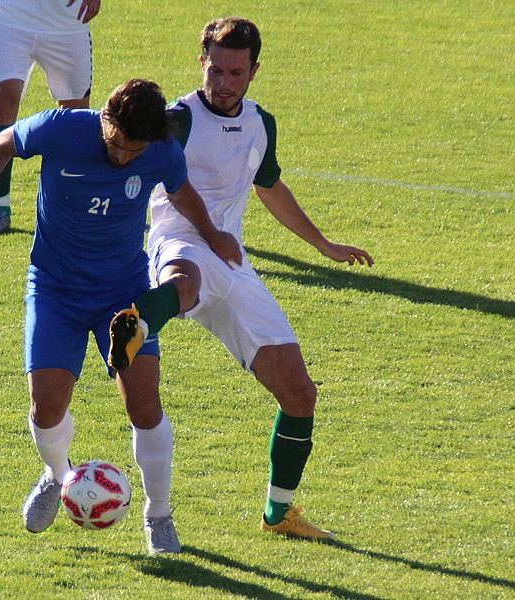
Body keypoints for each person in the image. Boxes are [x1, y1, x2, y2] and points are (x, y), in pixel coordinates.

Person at [0, 79, 242, 554]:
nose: (123, 158)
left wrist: (214, 235)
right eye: (116, 145)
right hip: (55, 291)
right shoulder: (60, 128)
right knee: (47, 408)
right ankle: (59, 478)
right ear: (104, 118)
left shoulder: (160, 151)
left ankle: (158, 514)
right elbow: (0, 146)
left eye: (133, 152)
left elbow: (181, 192)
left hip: (122, 292)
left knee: (143, 405)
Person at [108, 17, 374, 541]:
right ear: (201, 61)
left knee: (300, 394)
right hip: (180, 242)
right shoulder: (176, 120)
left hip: (232, 262)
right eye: (215, 69)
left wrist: (323, 244)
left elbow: (269, 187)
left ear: (254, 70)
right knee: (184, 280)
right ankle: (135, 325)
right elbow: (121, 159)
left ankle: (280, 514)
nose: (224, 82)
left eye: (236, 71)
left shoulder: (260, 123)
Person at [0, 0, 102, 234]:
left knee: (74, 116)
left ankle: (71, 207)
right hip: (9, 19)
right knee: (2, 103)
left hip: (66, 22)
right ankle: (0, 207)